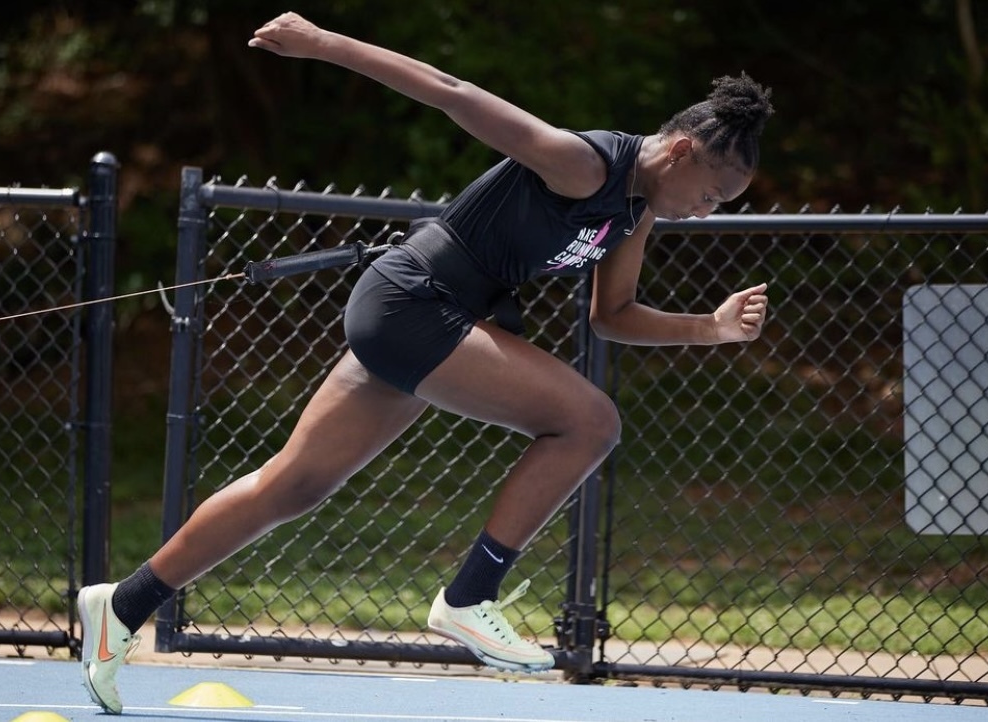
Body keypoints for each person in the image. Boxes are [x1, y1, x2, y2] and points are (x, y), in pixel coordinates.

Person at [77, 11, 774, 714]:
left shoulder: (633, 209)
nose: (707, 212)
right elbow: (450, 90)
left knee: (292, 487)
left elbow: (611, 316)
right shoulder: (583, 163)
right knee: (588, 422)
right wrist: (322, 44)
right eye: (711, 194)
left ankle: (122, 604)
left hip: (427, 316)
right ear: (680, 151)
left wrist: (709, 329)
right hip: (413, 302)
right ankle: (469, 597)